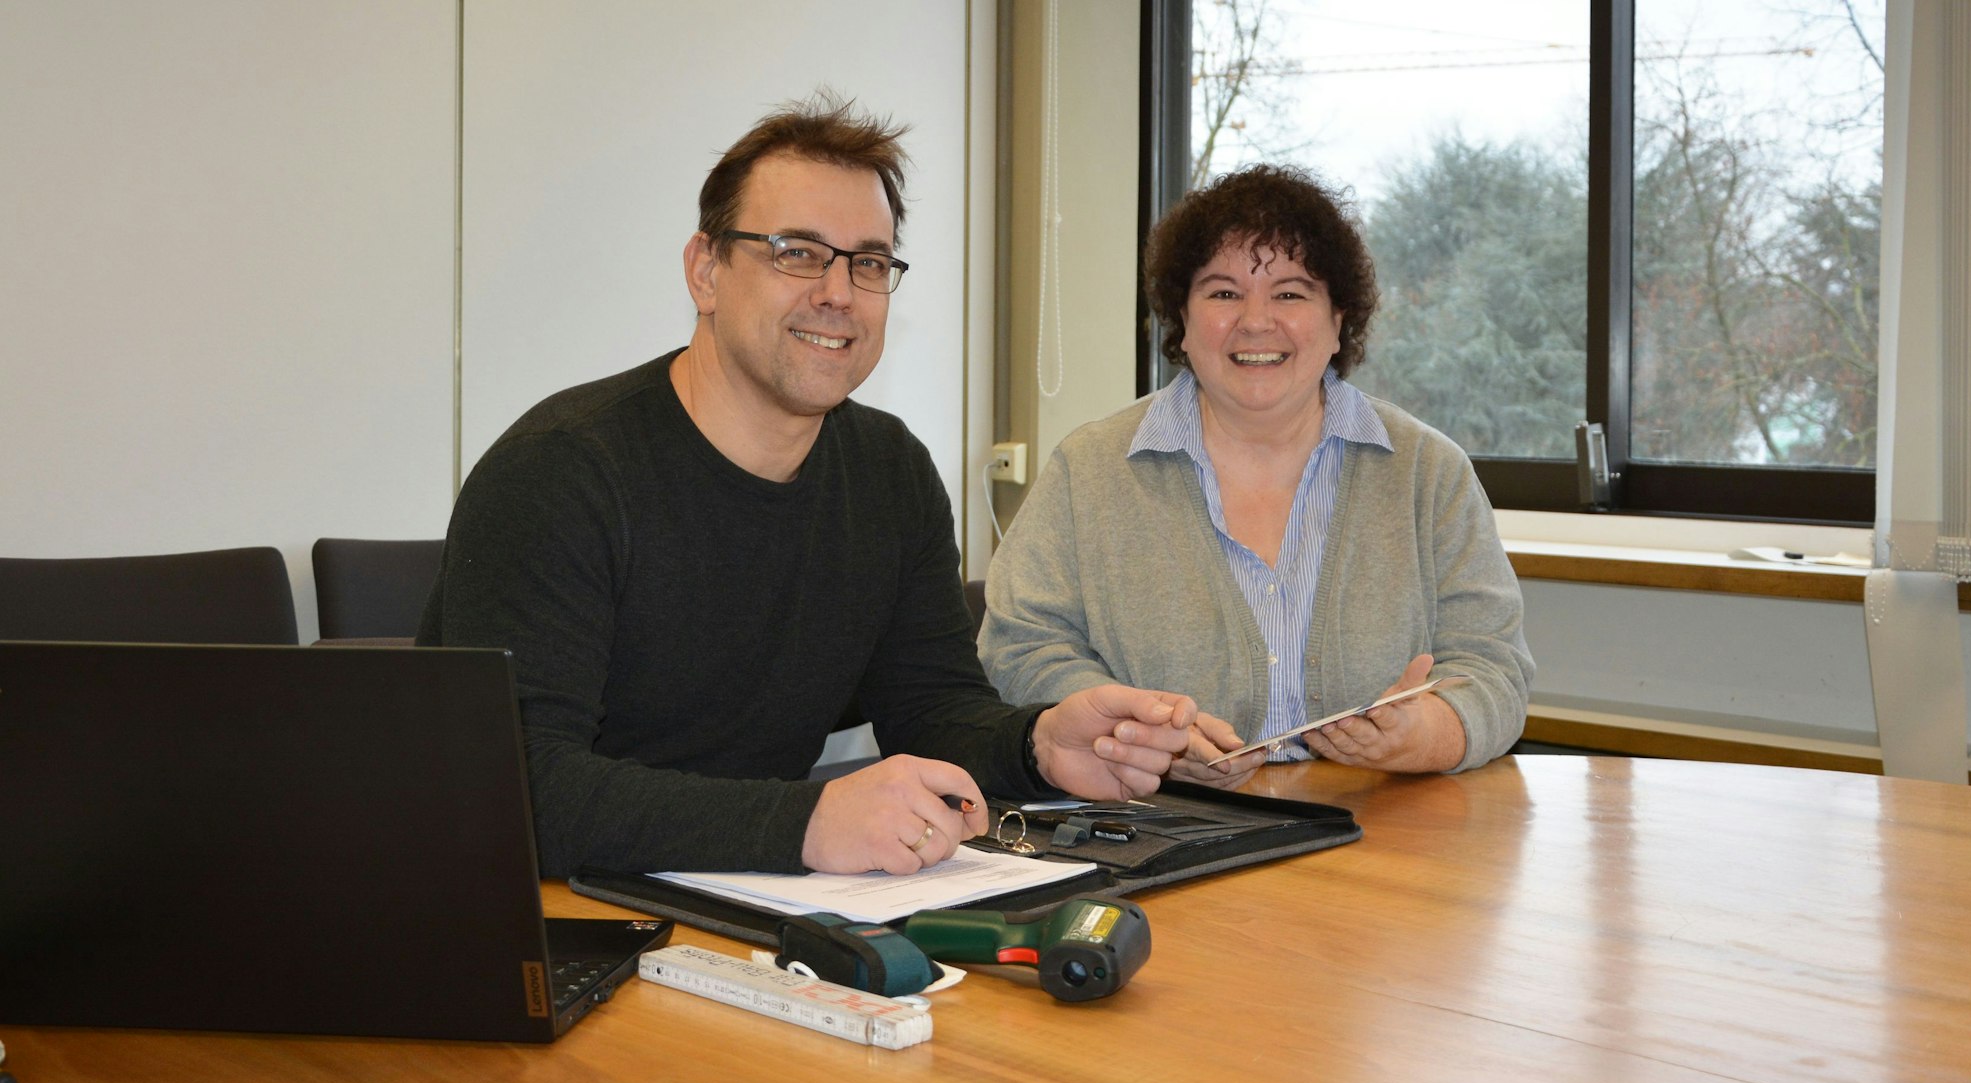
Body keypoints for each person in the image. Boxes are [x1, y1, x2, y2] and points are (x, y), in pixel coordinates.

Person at [419, 96, 1201, 878]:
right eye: (796, 251)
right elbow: (517, 790)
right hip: (550, 917)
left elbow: (928, 710)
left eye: (867, 262)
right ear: (705, 271)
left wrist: (1038, 745)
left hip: (746, 902)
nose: (838, 292)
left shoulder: (888, 471)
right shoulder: (560, 472)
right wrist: (805, 822)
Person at [979, 164, 1532, 788]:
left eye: (1291, 293)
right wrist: (1136, 731)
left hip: (1387, 827)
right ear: (1182, 322)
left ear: (1338, 319)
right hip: (1164, 826)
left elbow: (1493, 666)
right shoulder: (1090, 471)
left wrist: (1427, 732)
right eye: (1222, 293)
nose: (1256, 321)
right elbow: (1020, 646)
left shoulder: (1428, 473)